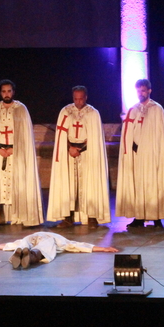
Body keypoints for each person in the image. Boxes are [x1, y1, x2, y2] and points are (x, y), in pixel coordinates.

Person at [0, 80, 44, 226]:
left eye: (9, 91)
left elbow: (25, 134)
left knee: (17, 183)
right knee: (0, 184)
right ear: (0, 93)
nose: (6, 94)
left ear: (13, 92)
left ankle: (19, 216)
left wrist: (14, 149)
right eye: (3, 91)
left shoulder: (21, 109)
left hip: (16, 153)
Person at [116, 79, 164, 228]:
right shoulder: (133, 110)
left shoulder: (157, 109)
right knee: (138, 185)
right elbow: (128, 133)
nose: (140, 93)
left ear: (149, 91)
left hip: (152, 154)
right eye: (138, 90)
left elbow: (161, 135)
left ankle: (156, 217)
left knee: (153, 184)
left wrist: (157, 153)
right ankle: (139, 217)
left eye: (143, 90)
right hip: (137, 155)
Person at [48, 86, 111, 228]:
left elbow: (95, 138)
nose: (79, 102)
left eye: (81, 98)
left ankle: (92, 216)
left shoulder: (93, 113)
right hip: (69, 152)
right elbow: (61, 135)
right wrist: (70, 148)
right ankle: (68, 217)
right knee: (69, 184)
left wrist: (80, 149)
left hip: (88, 152)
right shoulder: (66, 111)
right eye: (76, 99)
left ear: (86, 97)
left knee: (90, 183)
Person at [0, 232, 119, 269]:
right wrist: (103, 248)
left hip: (31, 237)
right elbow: (79, 245)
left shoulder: (56, 239)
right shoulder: (59, 240)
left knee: (22, 243)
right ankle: (31, 256)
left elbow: (10, 244)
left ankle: (21, 254)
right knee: (43, 247)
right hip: (47, 240)